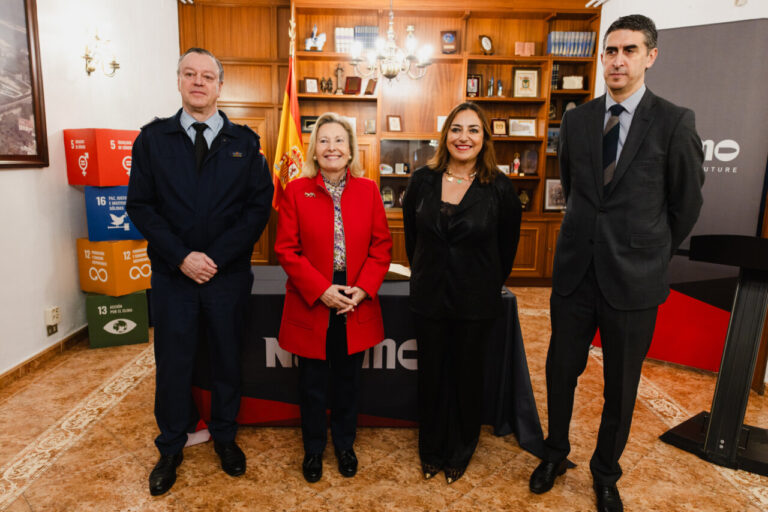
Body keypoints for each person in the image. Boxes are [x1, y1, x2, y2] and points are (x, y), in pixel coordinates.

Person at [528, 15, 704, 512]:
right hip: (575, 274)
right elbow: (577, 189)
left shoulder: (674, 120)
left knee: (620, 387)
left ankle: (605, 473)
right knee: (561, 372)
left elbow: (686, 203)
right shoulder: (578, 120)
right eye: (610, 51)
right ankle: (554, 453)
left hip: (634, 281)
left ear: (651, 56)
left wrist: (651, 253)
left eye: (629, 50)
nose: (617, 60)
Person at [126, 47, 273, 496]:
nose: (198, 82)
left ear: (219, 86)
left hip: (226, 278)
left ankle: (225, 438)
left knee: (228, 358)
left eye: (207, 76)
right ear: (178, 81)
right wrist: (181, 257)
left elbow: (257, 209)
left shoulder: (244, 143)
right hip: (173, 277)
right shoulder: (152, 139)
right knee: (173, 363)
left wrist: (215, 259)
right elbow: (141, 207)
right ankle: (171, 445)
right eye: (189, 74)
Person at [403, 102, 522, 484]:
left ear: (484, 137)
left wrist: (482, 281)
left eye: (473, 130)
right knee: (432, 376)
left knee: (467, 377)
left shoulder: (501, 188)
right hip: (429, 297)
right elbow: (412, 239)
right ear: (445, 135)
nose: (464, 137)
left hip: (476, 301)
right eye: (456, 129)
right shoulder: (421, 180)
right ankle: (431, 448)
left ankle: (460, 448)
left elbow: (506, 251)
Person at [274, 112, 392, 483]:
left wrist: (362, 289)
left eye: (339, 140)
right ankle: (313, 450)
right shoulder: (296, 191)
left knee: (347, 381)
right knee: (311, 383)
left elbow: (381, 247)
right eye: (323, 141)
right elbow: (286, 250)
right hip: (313, 299)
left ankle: (344, 444)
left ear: (350, 148)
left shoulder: (369, 190)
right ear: (314, 149)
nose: (332, 148)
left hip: (356, 298)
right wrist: (322, 291)